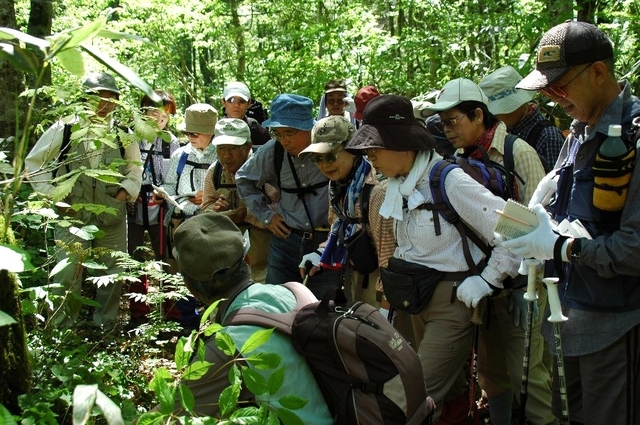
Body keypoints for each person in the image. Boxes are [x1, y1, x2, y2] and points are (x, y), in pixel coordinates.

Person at [345, 94, 521, 423]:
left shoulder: (447, 179)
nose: (370, 159)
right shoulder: (398, 185)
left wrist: (487, 280)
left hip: (452, 304)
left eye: (374, 150)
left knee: (411, 396)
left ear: (403, 145)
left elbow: (514, 229)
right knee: (444, 393)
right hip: (413, 301)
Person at [499, 21, 640, 425]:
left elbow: (635, 247)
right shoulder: (577, 133)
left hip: (616, 326)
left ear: (599, 72)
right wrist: (531, 231)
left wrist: (562, 247)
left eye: (560, 87)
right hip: (565, 319)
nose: (552, 99)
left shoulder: (632, 136)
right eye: (546, 91)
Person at [423, 78, 553, 424]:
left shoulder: (516, 152)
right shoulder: (458, 158)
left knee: (528, 371)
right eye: (442, 123)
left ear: (478, 115)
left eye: (453, 121)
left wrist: (525, 282)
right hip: (480, 288)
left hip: (521, 287)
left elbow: (535, 221)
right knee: (491, 372)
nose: (447, 130)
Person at [164, 213, 333, 423]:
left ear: (192, 289)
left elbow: (168, 417)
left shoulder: (225, 348)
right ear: (248, 259)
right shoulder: (297, 292)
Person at [25, 72, 142, 330]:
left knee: (112, 276)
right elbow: (35, 164)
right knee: (67, 275)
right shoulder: (64, 128)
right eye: (97, 97)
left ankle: (107, 331)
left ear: (116, 101)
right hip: (71, 215)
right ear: (84, 99)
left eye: (110, 98)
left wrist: (122, 195)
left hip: (111, 215)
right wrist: (54, 197)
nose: (103, 104)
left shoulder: (124, 132)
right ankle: (62, 334)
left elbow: (135, 170)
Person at [235, 93, 341, 299]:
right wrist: (267, 216)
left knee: (322, 309)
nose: (284, 140)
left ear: (309, 128)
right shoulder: (273, 151)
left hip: (325, 243)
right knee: (277, 304)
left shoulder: (330, 149)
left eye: (290, 133)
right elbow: (244, 179)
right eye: (278, 133)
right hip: (285, 243)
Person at [297, 115, 393, 307]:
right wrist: (321, 252)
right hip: (353, 274)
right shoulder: (336, 185)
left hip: (383, 281)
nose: (324, 165)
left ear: (353, 149)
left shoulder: (377, 188)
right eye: (317, 158)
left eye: (331, 156)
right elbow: (337, 226)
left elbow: (389, 252)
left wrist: (387, 303)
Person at [159, 103, 218, 331]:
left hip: (213, 225)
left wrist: (209, 201)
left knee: (212, 273)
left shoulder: (222, 155)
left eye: (195, 132)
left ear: (211, 132)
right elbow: (169, 187)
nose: (190, 137)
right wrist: (187, 203)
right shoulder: (179, 155)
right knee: (182, 272)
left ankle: (213, 322)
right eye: (187, 132)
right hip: (182, 221)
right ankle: (188, 322)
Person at [127, 90, 181, 329]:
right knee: (133, 258)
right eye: (155, 111)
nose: (160, 117)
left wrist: (167, 195)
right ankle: (139, 312)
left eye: (166, 113)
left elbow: (176, 177)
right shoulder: (130, 138)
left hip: (161, 209)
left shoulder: (171, 142)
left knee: (166, 258)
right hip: (133, 207)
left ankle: (170, 312)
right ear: (143, 111)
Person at [201, 118, 278, 283]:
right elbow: (205, 206)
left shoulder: (266, 170)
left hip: (264, 261)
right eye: (221, 149)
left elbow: (282, 210)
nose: (226, 155)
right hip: (228, 261)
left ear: (248, 146)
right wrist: (215, 210)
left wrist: (248, 215)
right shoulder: (214, 172)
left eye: (233, 149)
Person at [479, 65, 565, 169]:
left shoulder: (548, 137)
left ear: (516, 105)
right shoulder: (505, 129)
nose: (494, 117)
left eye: (497, 111)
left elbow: (556, 183)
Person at [221, 81, 270, 146]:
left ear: (249, 103)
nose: (236, 105)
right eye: (231, 100)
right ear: (223, 102)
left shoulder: (258, 132)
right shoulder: (214, 130)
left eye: (241, 101)